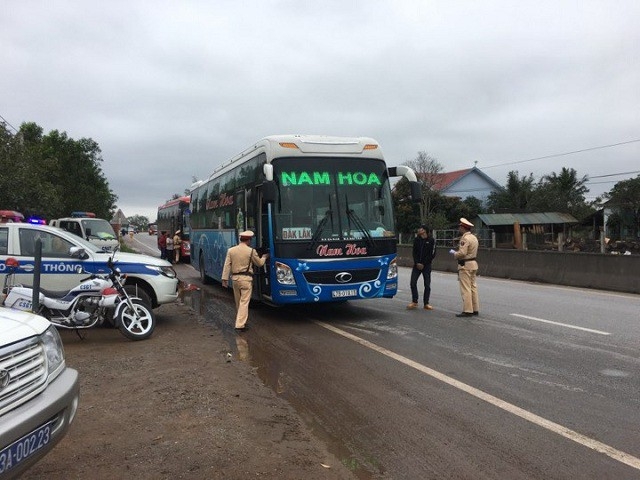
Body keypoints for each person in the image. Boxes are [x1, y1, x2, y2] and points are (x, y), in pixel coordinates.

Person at [221, 230, 269, 331]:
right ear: (249, 240)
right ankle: (239, 324)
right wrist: (264, 257)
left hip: (234, 279)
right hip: (246, 280)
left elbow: (227, 265)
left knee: (238, 302)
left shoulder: (231, 250)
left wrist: (224, 279)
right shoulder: (251, 251)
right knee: (244, 302)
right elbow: (259, 263)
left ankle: (241, 321)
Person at [451, 218, 479, 317]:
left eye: (460, 227)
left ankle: (468, 310)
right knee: (473, 287)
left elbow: (462, 253)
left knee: (465, 288)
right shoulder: (474, 237)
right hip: (473, 264)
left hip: (465, 265)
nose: (459, 228)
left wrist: (455, 254)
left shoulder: (465, 238)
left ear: (463, 228)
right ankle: (475, 308)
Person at [407, 224, 436, 310]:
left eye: (421, 229)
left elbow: (432, 254)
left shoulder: (431, 240)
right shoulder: (416, 240)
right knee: (413, 282)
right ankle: (414, 301)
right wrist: (417, 263)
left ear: (425, 230)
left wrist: (423, 263)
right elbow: (414, 252)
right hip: (417, 265)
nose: (419, 230)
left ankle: (426, 303)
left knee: (427, 284)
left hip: (426, 265)